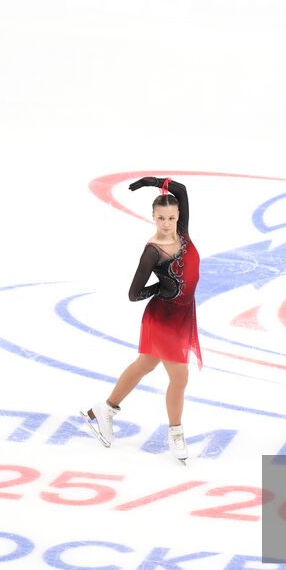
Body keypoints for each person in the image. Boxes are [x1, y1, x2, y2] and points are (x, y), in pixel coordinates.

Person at [86, 177, 201, 464]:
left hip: (184, 314)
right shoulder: (153, 250)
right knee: (179, 376)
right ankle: (176, 432)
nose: (166, 223)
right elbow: (134, 293)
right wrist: (161, 288)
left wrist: (153, 182)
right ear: (153, 217)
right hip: (163, 317)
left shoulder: (182, 232)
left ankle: (106, 409)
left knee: (145, 364)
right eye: (161, 218)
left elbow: (181, 191)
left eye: (171, 217)